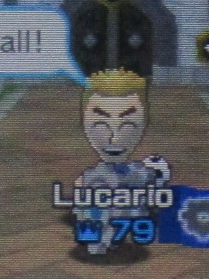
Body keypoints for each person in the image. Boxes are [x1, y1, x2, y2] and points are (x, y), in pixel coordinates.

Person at [72, 68, 169, 260]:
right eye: (100, 125)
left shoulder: (137, 174)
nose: (114, 138)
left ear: (144, 124)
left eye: (128, 126)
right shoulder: (94, 180)